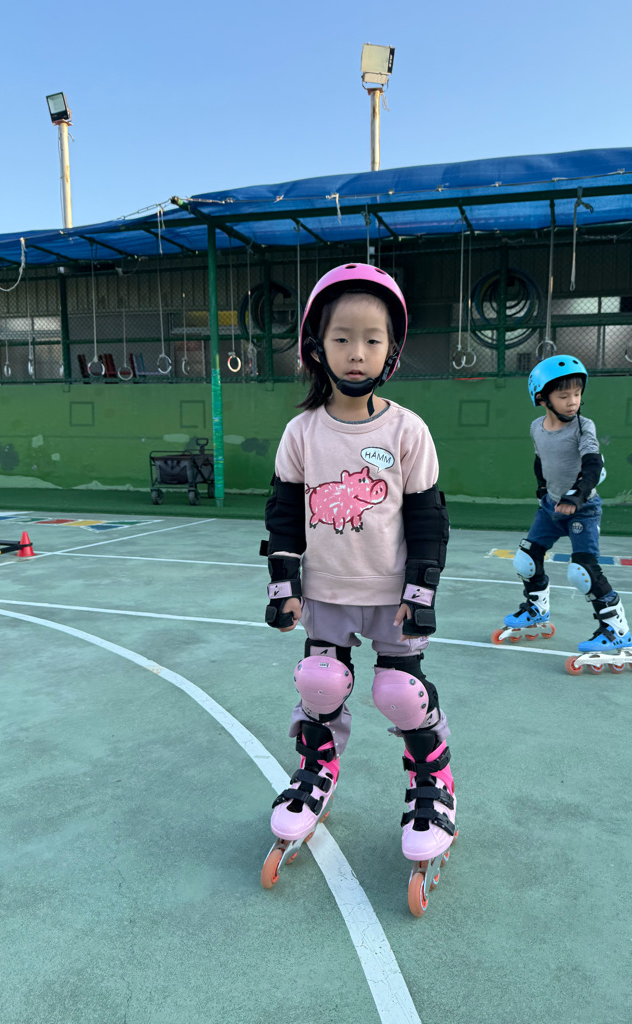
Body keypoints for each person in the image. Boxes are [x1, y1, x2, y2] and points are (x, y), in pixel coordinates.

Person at [259, 263, 455, 913]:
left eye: (373, 339)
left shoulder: (407, 431)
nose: (357, 351)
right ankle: (316, 771)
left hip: (391, 595)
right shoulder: (302, 433)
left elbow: (427, 519)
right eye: (342, 337)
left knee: (401, 693)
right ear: (317, 345)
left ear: (391, 350)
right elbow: (284, 516)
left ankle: (433, 783)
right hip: (326, 592)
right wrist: (283, 584)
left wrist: (421, 592)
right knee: (320, 684)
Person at [495, 355, 632, 665]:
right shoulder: (537, 427)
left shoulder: (584, 427)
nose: (573, 401)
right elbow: (540, 460)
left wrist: (577, 495)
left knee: (582, 571)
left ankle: (616, 630)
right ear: (542, 398)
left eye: (577, 393)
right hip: (551, 507)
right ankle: (537, 609)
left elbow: (592, 464)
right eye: (563, 395)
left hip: (582, 510)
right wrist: (542, 488)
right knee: (525, 560)